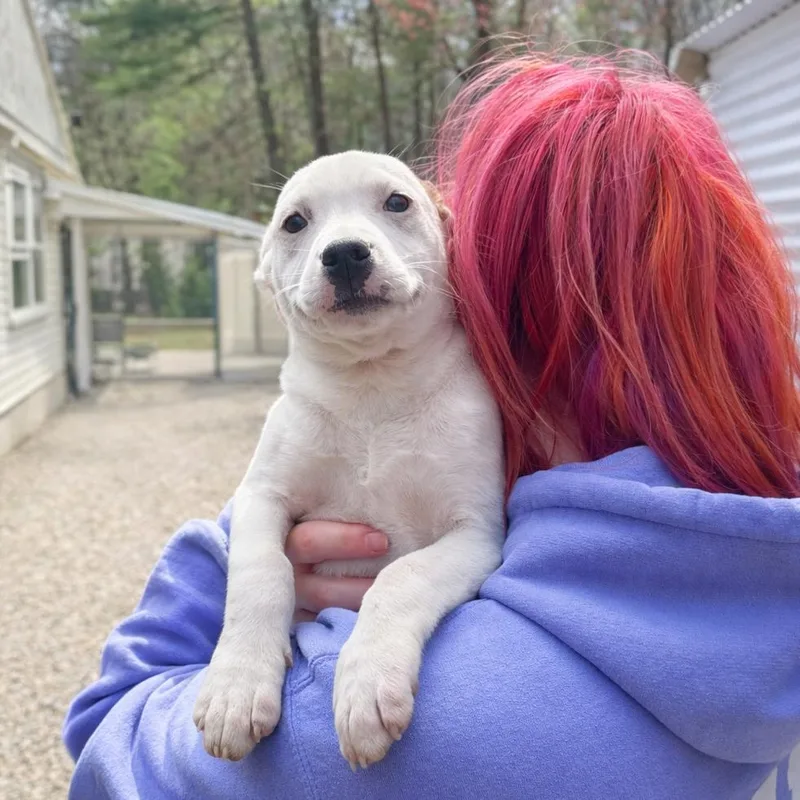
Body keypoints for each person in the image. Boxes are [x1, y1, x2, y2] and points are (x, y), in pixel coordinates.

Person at [63, 54, 800, 800]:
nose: (344, 244)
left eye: (395, 205)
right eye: (296, 224)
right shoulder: (751, 576)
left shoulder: (452, 732)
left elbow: (104, 744)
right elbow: (285, 506)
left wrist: (228, 570)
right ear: (270, 277)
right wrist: (255, 597)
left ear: (459, 253)